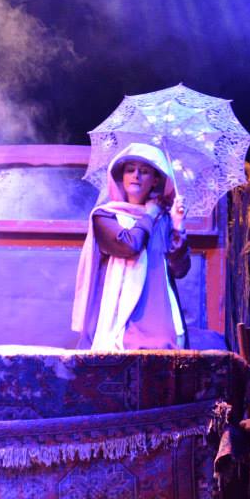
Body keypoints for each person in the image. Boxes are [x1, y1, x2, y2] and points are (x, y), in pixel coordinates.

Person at [71, 142, 191, 350]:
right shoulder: (105, 216)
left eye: (144, 171)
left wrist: (178, 225)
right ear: (122, 176)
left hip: (156, 311)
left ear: (155, 181)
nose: (136, 175)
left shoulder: (163, 218)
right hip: (117, 308)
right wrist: (149, 215)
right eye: (130, 170)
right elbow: (129, 246)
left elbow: (179, 270)